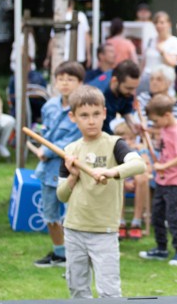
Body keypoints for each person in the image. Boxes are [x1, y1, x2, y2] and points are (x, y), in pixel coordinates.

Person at [57, 85, 146, 298]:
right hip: (74, 229)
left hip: (104, 231)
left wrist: (111, 172)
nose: (91, 120)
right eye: (84, 115)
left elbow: (139, 165)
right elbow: (61, 195)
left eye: (96, 114)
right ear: (73, 117)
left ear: (105, 113)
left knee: (109, 291)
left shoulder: (115, 144)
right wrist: (73, 176)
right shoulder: (70, 151)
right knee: (77, 289)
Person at [33, 60, 85, 268]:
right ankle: (59, 252)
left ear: (80, 83)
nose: (64, 83)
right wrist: (41, 145)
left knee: (73, 215)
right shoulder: (49, 106)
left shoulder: (81, 109)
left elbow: (72, 141)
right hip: (47, 170)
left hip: (68, 170)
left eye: (70, 79)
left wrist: (45, 151)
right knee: (50, 215)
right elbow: (44, 132)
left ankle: (77, 254)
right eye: (61, 79)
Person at [139, 94, 177, 266]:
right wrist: (148, 131)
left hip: (175, 181)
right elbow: (160, 131)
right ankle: (161, 248)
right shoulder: (165, 128)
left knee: (172, 217)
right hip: (163, 180)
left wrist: (165, 165)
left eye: (156, 121)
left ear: (167, 115)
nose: (155, 124)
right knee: (157, 216)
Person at [111, 119, 151, 241]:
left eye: (131, 139)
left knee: (141, 178)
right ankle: (120, 221)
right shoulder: (115, 151)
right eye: (124, 139)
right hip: (121, 181)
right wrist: (126, 181)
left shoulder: (139, 149)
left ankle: (136, 221)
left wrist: (134, 179)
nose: (128, 142)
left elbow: (147, 166)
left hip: (138, 182)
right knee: (118, 180)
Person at [88, 60, 140, 134]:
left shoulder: (122, 84)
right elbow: (102, 131)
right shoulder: (98, 97)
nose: (132, 93)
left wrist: (134, 125)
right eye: (129, 88)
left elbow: (126, 110)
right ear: (114, 80)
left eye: (135, 88)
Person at [140, 11, 177, 93]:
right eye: (156, 23)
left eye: (162, 23)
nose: (159, 25)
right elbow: (144, 62)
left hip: (163, 82)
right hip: (147, 79)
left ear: (169, 24)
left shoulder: (174, 41)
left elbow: (173, 63)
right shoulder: (150, 40)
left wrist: (163, 52)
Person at [44, 0, 91, 69]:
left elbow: (53, 40)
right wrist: (88, 54)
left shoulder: (60, 18)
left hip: (61, 57)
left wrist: (48, 57)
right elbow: (87, 37)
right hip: (79, 56)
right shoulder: (81, 16)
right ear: (72, 4)